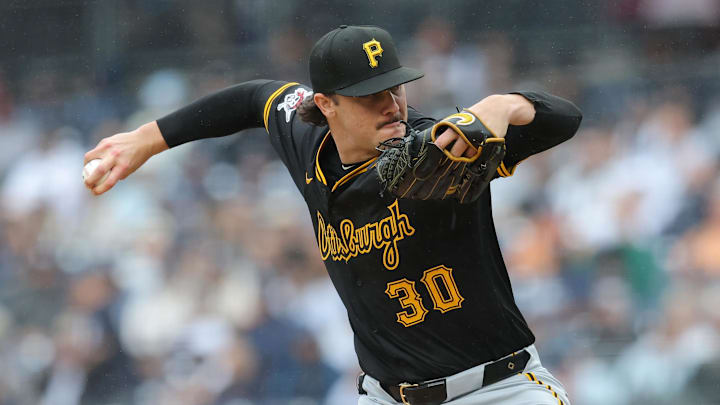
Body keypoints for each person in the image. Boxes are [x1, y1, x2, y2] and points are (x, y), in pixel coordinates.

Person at [84, 25, 582, 405]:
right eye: (372, 95)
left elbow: (564, 119)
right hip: (385, 396)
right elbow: (253, 97)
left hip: (496, 390)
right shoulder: (306, 141)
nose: (392, 105)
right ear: (326, 105)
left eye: (397, 87)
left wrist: (506, 104)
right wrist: (147, 140)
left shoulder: (440, 151)